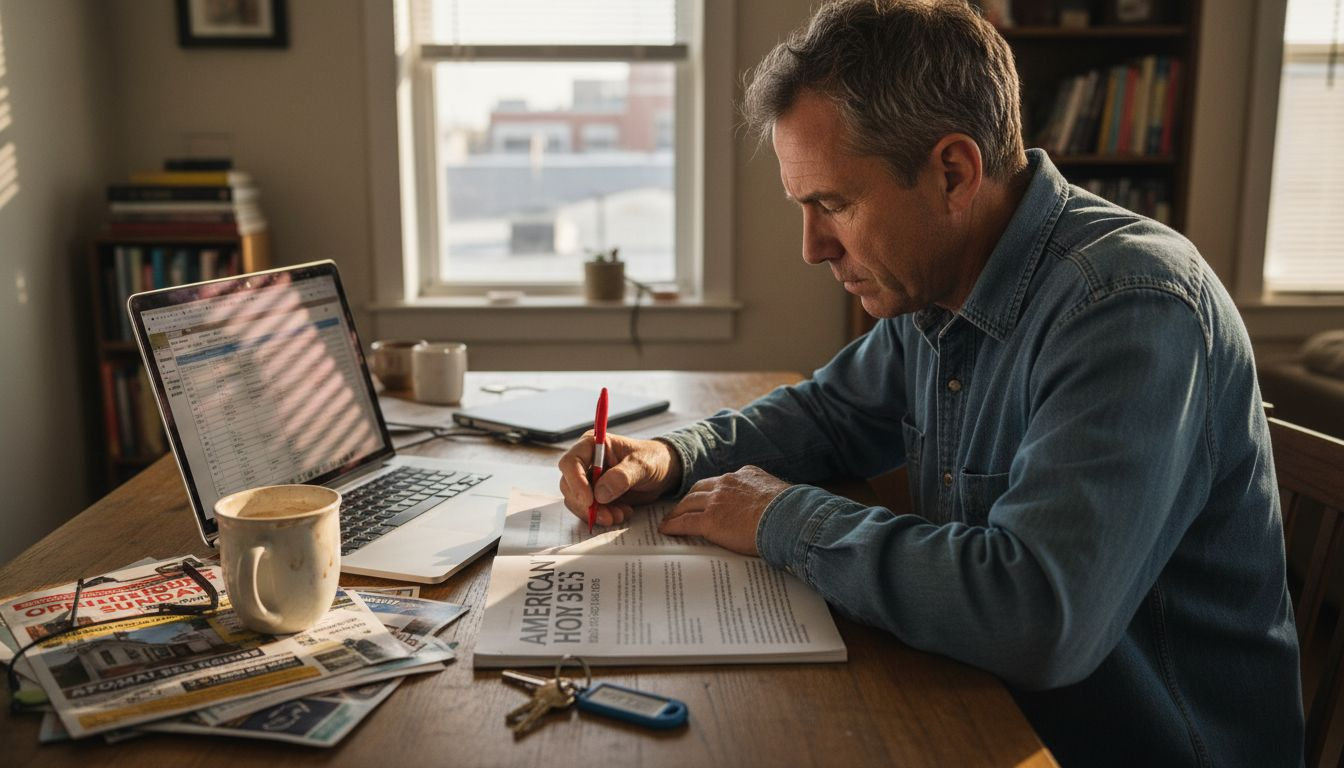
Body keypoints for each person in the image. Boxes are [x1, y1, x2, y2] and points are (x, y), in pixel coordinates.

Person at [556, 1, 1303, 764]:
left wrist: (781, 517)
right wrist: (670, 457)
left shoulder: (1129, 308)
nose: (813, 248)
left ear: (953, 173)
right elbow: (830, 416)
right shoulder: (938, 282)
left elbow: (1038, 617)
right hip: (985, 703)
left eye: (833, 204)